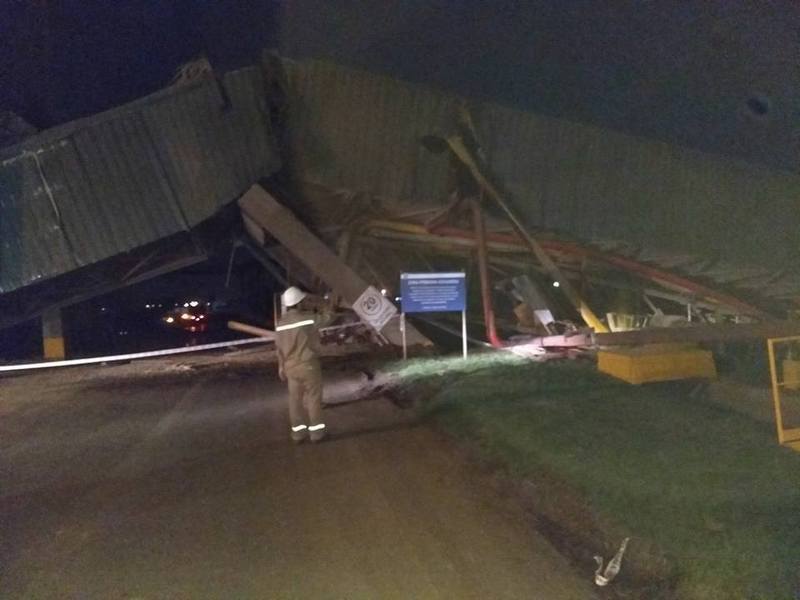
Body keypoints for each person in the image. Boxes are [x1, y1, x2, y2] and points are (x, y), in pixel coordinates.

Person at [275, 286, 328, 443]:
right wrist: (325, 306)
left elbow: (279, 348)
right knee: (313, 399)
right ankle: (317, 434)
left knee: (295, 401)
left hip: (290, 367)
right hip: (308, 365)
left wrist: (280, 366)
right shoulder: (307, 318)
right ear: (298, 303)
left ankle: (298, 434)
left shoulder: (281, 323)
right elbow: (327, 318)